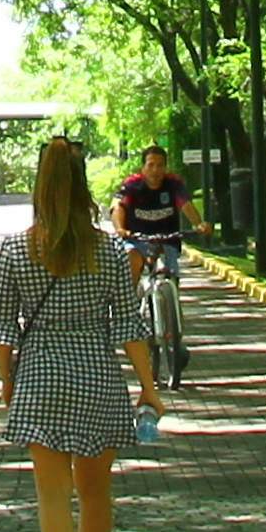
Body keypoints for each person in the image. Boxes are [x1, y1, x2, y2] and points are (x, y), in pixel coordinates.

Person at [0, 135, 162, 532]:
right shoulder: (109, 250)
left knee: (51, 495)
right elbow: (128, 326)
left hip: (40, 374)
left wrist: (7, 383)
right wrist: (149, 388)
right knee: (94, 492)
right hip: (96, 373)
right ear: (83, 184)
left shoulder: (17, 249)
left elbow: (3, 328)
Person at [108, 145, 202, 395]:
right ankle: (127, 309)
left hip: (167, 239)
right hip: (137, 238)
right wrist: (120, 228)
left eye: (160, 165)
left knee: (171, 278)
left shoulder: (173, 185)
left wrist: (200, 223)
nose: (156, 170)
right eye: (151, 165)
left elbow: (186, 205)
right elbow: (118, 208)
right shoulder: (132, 185)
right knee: (132, 259)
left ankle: (174, 332)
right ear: (143, 166)